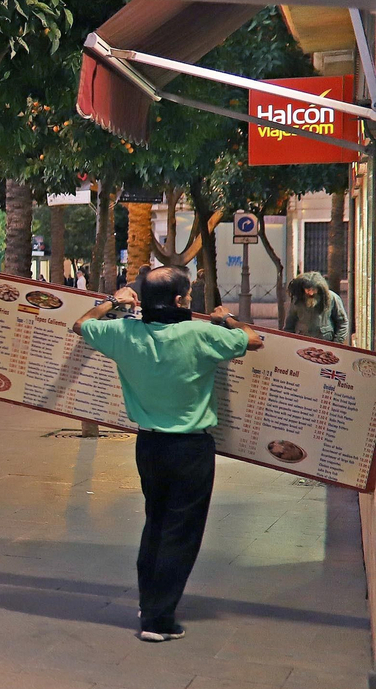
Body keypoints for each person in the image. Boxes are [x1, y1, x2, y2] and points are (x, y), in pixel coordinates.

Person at [73, 266, 262, 643]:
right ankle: (158, 620)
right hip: (190, 448)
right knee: (181, 531)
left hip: (149, 446)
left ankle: (150, 602)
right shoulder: (200, 333)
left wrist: (114, 301)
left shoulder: (123, 333)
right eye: (188, 295)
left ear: (141, 299)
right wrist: (227, 319)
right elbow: (253, 340)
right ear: (179, 301)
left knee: (156, 524)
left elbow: (80, 325)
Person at [283, 271, 347, 342]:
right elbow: (290, 324)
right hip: (303, 342)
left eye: (313, 290)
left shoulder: (332, 298)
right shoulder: (297, 300)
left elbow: (342, 323)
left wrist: (337, 343)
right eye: (308, 290)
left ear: (320, 288)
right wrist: (288, 341)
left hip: (326, 343)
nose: (311, 293)